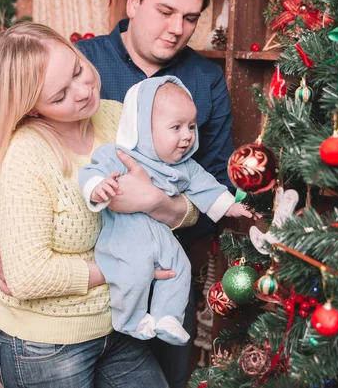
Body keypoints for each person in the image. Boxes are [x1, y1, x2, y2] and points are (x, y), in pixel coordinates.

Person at [0, 0, 235, 388]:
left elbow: (209, 183)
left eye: (190, 18)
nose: (177, 28)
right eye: (165, 11)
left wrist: (160, 205)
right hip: (61, 333)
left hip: (156, 289)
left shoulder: (184, 88)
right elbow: (4, 184)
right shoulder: (71, 64)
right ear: (133, 2)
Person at [78, 77, 254, 347]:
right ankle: (129, 320)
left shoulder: (185, 167)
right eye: (176, 127)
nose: (187, 136)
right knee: (134, 272)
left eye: (191, 127)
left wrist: (231, 206)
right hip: (124, 237)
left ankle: (167, 317)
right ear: (144, 129)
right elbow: (91, 172)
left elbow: (208, 189)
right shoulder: (120, 154)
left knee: (180, 266)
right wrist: (97, 187)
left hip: (162, 236)